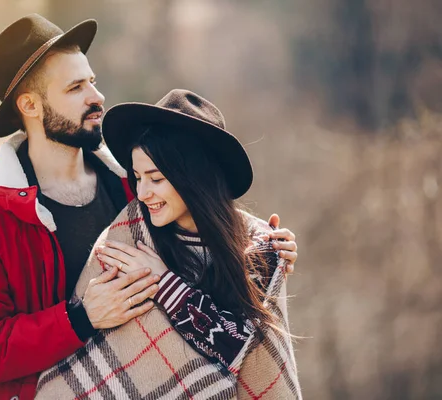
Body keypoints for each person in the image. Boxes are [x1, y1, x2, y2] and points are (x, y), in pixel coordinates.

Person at [0, 14, 298, 400]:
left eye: (92, 80)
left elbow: (196, 252)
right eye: (75, 87)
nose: (97, 96)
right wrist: (80, 319)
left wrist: (259, 254)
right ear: (30, 105)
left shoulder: (132, 183)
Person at [36, 89, 301, 399]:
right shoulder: (128, 238)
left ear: (193, 177)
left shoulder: (261, 246)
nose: (143, 192)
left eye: (156, 178)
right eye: (137, 177)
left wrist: (163, 282)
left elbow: (241, 348)